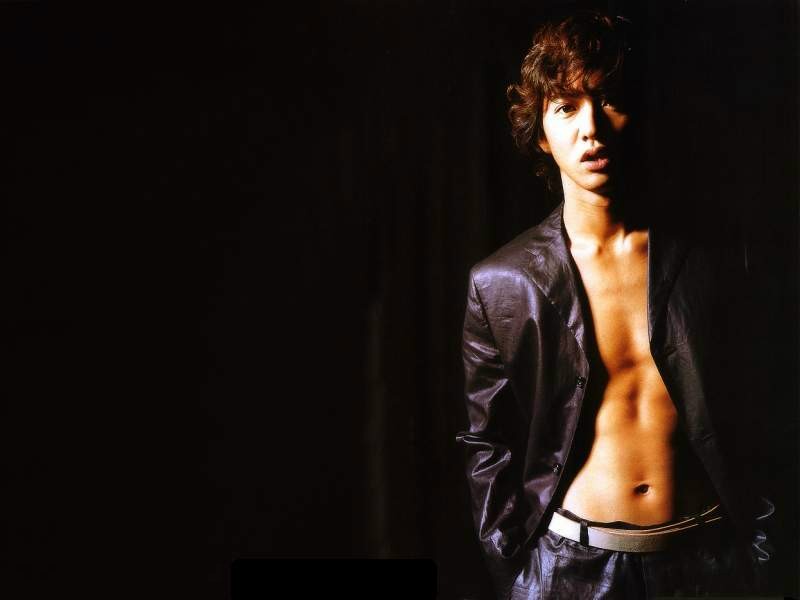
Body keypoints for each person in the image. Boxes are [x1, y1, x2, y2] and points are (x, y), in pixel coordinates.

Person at [455, 10, 777, 599]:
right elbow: (486, 444)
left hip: (708, 564)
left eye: (610, 100)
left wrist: (764, 556)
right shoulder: (500, 283)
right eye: (566, 107)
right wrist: (519, 574)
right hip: (569, 571)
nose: (592, 128)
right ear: (540, 133)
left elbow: (768, 404)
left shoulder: (719, 259)